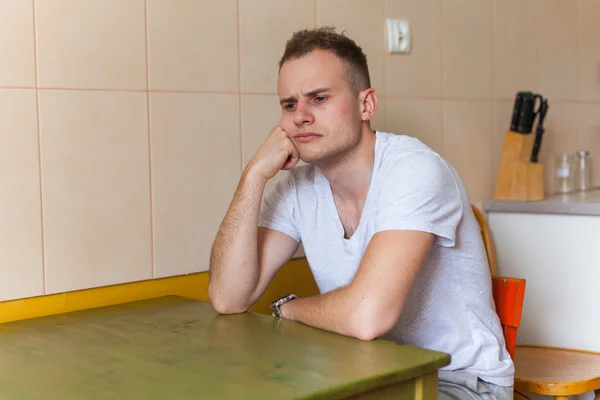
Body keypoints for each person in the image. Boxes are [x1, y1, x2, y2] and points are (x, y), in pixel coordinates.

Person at [208, 26, 514, 400]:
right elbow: (228, 298)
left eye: (318, 98)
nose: (300, 116)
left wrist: (289, 309)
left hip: (459, 382)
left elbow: (368, 315)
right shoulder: (296, 188)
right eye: (289, 105)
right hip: (364, 373)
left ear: (365, 104)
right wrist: (253, 176)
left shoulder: (414, 170)